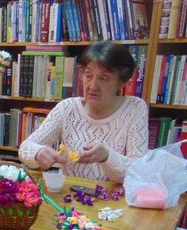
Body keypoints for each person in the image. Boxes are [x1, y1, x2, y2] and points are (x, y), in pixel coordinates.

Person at [19, 41, 148, 182]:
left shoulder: (134, 108)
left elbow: (139, 171)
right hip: (69, 192)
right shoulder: (67, 107)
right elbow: (25, 147)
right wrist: (38, 152)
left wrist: (106, 156)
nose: (93, 86)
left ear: (121, 83)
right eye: (88, 75)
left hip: (112, 194)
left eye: (104, 78)